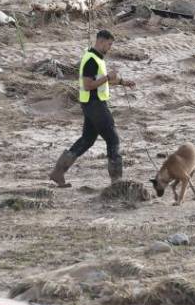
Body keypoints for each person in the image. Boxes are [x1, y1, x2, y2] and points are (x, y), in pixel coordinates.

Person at [49, 29, 133, 187]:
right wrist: (108, 77)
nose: (109, 48)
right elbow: (88, 85)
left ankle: (58, 173)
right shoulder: (91, 60)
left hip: (91, 105)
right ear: (100, 41)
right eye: (108, 44)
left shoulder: (96, 58)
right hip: (95, 104)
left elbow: (99, 80)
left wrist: (122, 82)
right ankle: (117, 182)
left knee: (87, 140)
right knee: (113, 139)